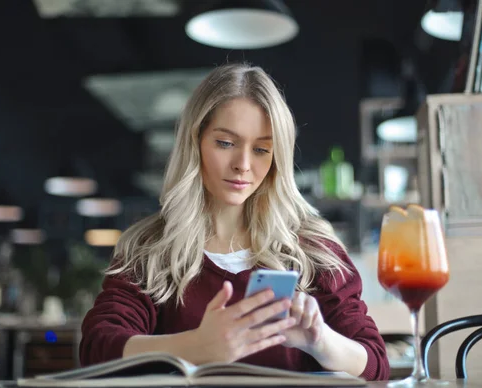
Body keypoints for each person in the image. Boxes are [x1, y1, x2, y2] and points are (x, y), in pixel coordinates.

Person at [79, 63, 390, 381]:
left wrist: (321, 342)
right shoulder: (150, 250)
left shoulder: (313, 249)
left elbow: (376, 364)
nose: (243, 164)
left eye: (260, 149)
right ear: (195, 142)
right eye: (225, 143)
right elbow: (96, 349)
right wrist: (195, 346)